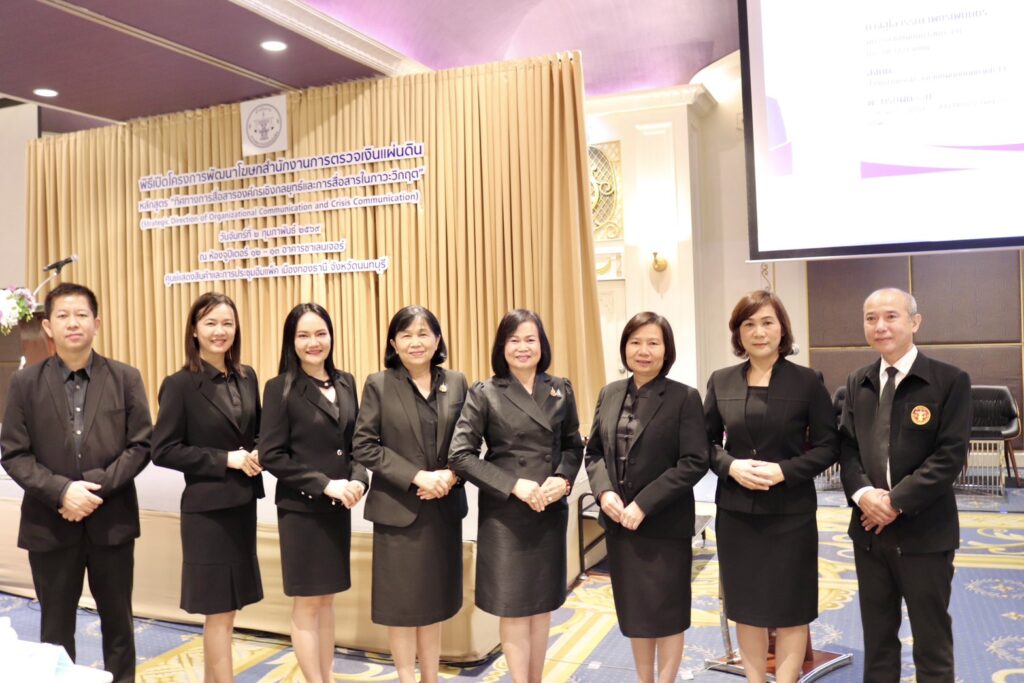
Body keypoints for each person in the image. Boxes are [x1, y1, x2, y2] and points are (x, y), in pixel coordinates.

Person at [0, 282, 151, 683]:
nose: (73, 323)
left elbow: (141, 445)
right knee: (55, 630)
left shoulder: (125, 378)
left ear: (96, 323)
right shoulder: (24, 383)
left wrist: (92, 489)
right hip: (50, 525)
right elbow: (14, 453)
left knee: (119, 626)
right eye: (63, 316)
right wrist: (63, 491)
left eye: (81, 315)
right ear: (48, 326)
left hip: (111, 523)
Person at [704, 290, 838, 683]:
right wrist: (730, 466)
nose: (758, 332)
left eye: (767, 322)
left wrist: (785, 471)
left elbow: (829, 447)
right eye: (749, 324)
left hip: (791, 512)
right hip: (736, 513)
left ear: (782, 329)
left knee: (791, 607)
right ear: (738, 333)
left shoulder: (807, 381)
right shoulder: (721, 380)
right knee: (746, 607)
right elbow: (703, 444)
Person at [839, 288, 970, 683]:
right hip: (869, 534)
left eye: (891, 316)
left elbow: (949, 456)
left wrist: (894, 502)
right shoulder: (858, 381)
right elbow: (847, 449)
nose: (880, 326)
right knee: (877, 641)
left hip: (925, 533)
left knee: (931, 642)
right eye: (871, 318)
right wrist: (864, 495)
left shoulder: (949, 381)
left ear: (915, 322)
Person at [449, 309, 583, 683]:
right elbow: (460, 455)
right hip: (506, 515)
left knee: (541, 606)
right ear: (502, 347)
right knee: (514, 608)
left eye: (530, 340)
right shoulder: (485, 393)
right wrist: (513, 485)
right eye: (514, 340)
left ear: (542, 345)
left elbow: (573, 446)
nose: (523, 347)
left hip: (548, 511)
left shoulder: (560, 389)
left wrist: (563, 479)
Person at [584, 312, 709, 683]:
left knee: (668, 614)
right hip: (620, 525)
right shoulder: (609, 393)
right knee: (635, 613)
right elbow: (594, 452)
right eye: (635, 342)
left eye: (653, 343)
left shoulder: (684, 397)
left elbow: (694, 461)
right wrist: (604, 491)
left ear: (666, 350)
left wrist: (644, 503)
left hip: (664, 525)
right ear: (625, 347)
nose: (643, 350)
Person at [352, 305, 468, 683]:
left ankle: (430, 677)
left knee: (433, 603)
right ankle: (406, 677)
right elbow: (365, 446)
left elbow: (470, 442)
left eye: (423, 334)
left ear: (437, 340)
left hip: (443, 509)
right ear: (393, 343)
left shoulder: (457, 382)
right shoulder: (379, 384)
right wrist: (417, 477)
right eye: (406, 335)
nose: (415, 342)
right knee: (401, 608)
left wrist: (451, 475)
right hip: (399, 512)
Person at [151, 292, 263, 683]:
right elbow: (163, 450)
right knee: (218, 611)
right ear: (195, 330)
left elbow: (258, 432)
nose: (220, 331)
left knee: (230, 608)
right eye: (211, 323)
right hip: (207, 513)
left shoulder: (247, 377)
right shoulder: (180, 384)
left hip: (242, 506)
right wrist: (224, 459)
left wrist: (259, 451)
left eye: (227, 323)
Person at [260, 303, 368, 683]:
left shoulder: (346, 382)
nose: (313, 342)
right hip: (301, 512)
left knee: (327, 599)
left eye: (320, 333)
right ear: (291, 341)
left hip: (338, 509)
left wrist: (359, 480)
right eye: (303, 335)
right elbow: (272, 455)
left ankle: (327, 675)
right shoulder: (280, 388)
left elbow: (357, 444)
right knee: (307, 603)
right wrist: (324, 484)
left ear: (331, 336)